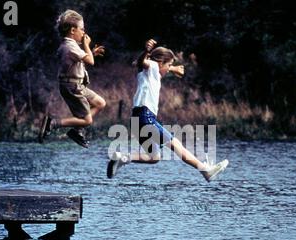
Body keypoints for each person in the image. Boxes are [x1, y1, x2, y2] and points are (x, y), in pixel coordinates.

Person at [107, 39, 228, 182]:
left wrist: (172, 68)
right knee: (176, 144)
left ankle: (122, 158)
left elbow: (154, 66)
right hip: (146, 117)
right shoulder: (150, 66)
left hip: (137, 119)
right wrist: (146, 51)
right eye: (169, 64)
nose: (170, 68)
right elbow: (142, 62)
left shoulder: (152, 72)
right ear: (159, 63)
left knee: (154, 157)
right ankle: (205, 170)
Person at [38, 9, 106, 148]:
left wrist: (91, 52)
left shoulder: (71, 46)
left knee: (100, 103)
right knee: (87, 121)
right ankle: (53, 123)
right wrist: (87, 46)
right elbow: (90, 62)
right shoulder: (69, 46)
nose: (84, 33)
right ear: (73, 30)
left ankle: (76, 130)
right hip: (72, 87)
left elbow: (79, 60)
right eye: (82, 29)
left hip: (77, 85)